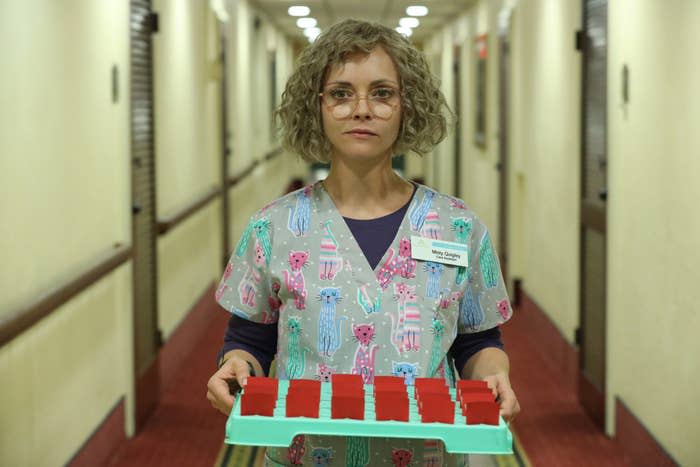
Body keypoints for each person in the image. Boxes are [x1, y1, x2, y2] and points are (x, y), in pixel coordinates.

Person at [206, 19, 520, 466]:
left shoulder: (458, 227)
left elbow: (477, 340)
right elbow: (250, 339)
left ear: (407, 106)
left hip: (428, 455)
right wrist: (237, 366)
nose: (361, 109)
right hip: (305, 455)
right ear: (315, 107)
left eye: (382, 93)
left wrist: (495, 377)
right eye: (340, 93)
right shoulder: (273, 227)